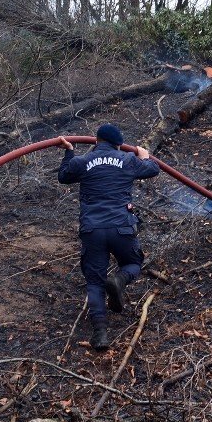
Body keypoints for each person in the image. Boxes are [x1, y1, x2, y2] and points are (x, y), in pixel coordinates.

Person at [57, 124, 159, 351]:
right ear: (118, 144)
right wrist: (144, 156)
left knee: (94, 280)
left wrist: (69, 151)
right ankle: (119, 280)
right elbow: (152, 169)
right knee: (133, 263)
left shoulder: (82, 162)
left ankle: (100, 334)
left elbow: (63, 176)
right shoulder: (128, 160)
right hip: (121, 227)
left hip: (92, 230)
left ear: (97, 141)